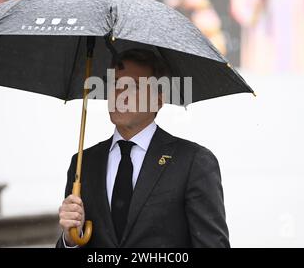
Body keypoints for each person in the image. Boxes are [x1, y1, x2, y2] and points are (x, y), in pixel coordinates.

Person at [56, 48, 230, 248]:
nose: (120, 94)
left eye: (134, 86)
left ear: (158, 98)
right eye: (115, 84)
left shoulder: (193, 162)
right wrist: (70, 240)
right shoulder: (83, 163)